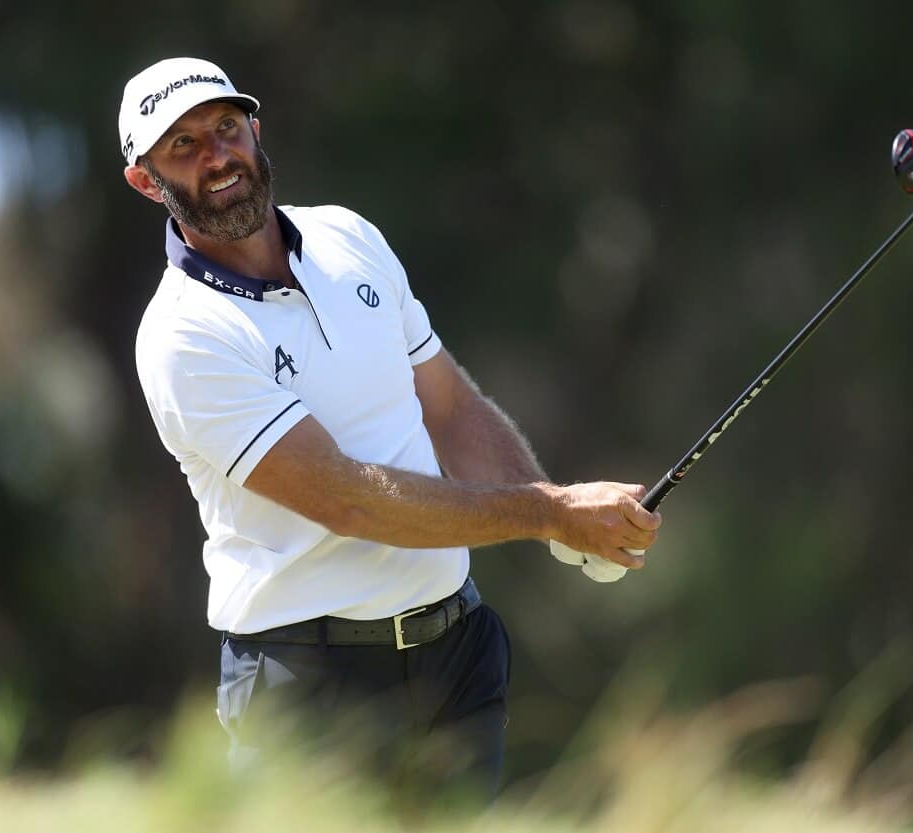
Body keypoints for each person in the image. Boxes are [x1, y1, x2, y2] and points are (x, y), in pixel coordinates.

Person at [118, 56, 660, 800]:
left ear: (254, 128)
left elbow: (450, 407)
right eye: (183, 145)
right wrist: (550, 514)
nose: (217, 156)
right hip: (309, 686)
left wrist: (557, 514)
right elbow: (349, 500)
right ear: (146, 181)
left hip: (456, 657)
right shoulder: (183, 335)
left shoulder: (348, 238)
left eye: (225, 127)